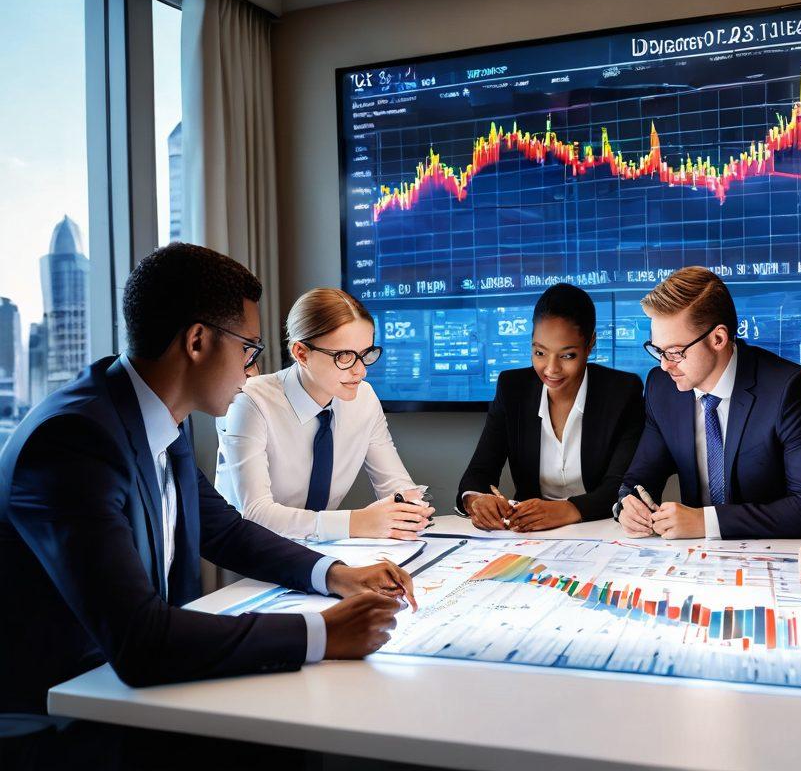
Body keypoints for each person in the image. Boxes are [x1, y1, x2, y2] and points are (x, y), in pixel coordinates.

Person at [0, 244, 416, 715]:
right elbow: (141, 641)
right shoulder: (74, 440)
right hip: (61, 715)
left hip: (126, 692)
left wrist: (336, 575)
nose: (253, 368)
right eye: (248, 348)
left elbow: (225, 531)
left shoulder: (155, 417)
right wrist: (323, 632)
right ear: (197, 341)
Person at [616, 266, 801, 540]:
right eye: (658, 351)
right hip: (694, 561)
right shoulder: (662, 388)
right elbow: (639, 479)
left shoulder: (788, 388)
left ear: (718, 338)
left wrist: (705, 522)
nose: (664, 365)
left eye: (674, 352)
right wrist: (626, 506)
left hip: (773, 558)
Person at [216, 288, 433, 541]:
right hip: (250, 555)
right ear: (301, 353)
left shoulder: (364, 398)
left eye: (365, 354)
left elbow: (394, 484)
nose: (360, 371)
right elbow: (256, 513)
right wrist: (357, 522)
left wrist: (409, 507)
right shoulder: (251, 402)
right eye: (344, 356)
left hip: (325, 552)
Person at [458, 283, 644, 532]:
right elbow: (479, 472)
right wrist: (476, 500)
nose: (551, 369)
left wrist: (568, 509)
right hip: (530, 533)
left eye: (567, 355)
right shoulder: (512, 388)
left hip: (602, 529)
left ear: (590, 344)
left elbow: (620, 486)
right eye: (539, 353)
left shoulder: (623, 391)